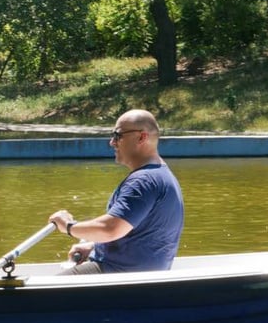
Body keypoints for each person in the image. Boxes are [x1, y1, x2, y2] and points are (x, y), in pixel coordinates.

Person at [48, 109, 184, 274]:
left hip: (120, 275)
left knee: (37, 295)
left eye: (118, 135)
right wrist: (94, 246)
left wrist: (68, 226)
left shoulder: (143, 181)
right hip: (140, 274)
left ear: (142, 137)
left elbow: (110, 228)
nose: (112, 142)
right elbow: (136, 233)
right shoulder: (161, 174)